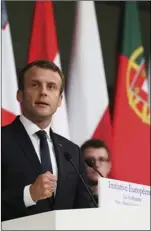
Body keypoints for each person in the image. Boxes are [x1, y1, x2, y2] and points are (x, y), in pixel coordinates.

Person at [2, 60, 91, 222]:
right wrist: (28, 194)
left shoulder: (72, 151)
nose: (43, 92)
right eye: (35, 85)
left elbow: (84, 209)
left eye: (51, 87)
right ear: (19, 94)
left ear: (59, 100)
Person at [81, 139, 111, 206]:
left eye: (101, 159)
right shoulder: (70, 197)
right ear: (80, 164)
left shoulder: (120, 196)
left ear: (109, 166)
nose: (96, 165)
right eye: (90, 160)